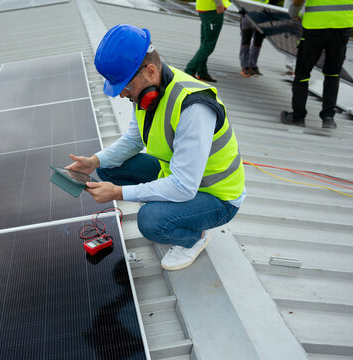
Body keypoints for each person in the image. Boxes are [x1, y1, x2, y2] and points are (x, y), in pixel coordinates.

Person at [67, 24, 245, 271]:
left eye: (125, 87)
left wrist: (119, 193)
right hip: (174, 175)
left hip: (216, 197)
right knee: (109, 168)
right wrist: (94, 161)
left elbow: (184, 186)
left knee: (151, 220)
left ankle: (194, 238)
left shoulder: (194, 107)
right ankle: (165, 204)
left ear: (150, 71)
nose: (122, 95)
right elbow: (133, 140)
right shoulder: (146, 92)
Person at [281, 0, 353, 129]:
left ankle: (298, 116)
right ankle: (328, 117)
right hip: (342, 26)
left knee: (302, 73)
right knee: (333, 74)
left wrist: (293, 12)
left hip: (315, 26)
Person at [184, 0, 232, 83]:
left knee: (205, 42)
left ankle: (202, 72)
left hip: (205, 8)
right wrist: (219, 4)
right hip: (212, 9)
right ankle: (189, 70)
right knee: (208, 45)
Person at [239, 0, 267, 77]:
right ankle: (245, 66)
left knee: (258, 42)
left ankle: (252, 65)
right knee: (246, 41)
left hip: (262, 15)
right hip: (247, 13)